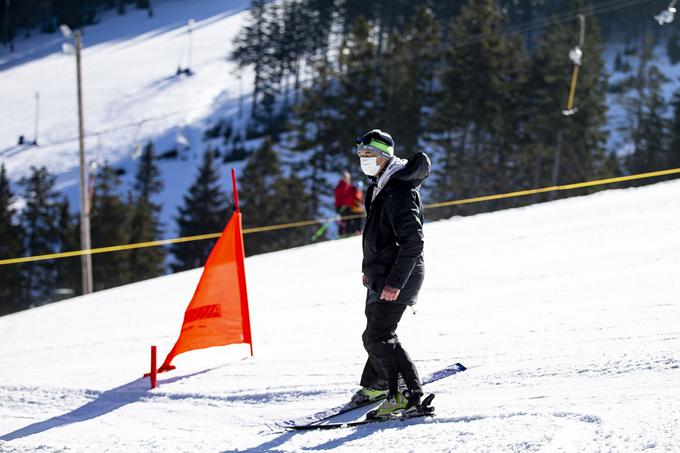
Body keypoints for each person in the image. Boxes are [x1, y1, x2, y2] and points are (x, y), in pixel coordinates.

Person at [350, 128, 431, 418]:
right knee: (373, 331)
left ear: (384, 156)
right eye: (360, 155)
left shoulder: (400, 190)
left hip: (400, 275)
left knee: (379, 335)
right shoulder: (379, 185)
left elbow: (413, 241)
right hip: (381, 274)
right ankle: (379, 384)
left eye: (368, 155)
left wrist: (396, 282)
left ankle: (408, 395)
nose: (363, 160)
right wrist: (368, 271)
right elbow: (378, 237)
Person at [334, 170, 354, 236]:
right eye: (345, 177)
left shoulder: (349, 185)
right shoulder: (341, 185)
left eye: (348, 177)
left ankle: (348, 234)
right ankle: (341, 235)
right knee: (342, 222)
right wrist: (339, 207)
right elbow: (338, 197)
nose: (347, 178)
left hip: (349, 206)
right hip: (341, 207)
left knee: (349, 222)